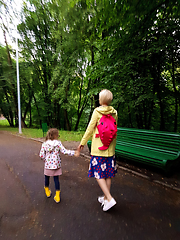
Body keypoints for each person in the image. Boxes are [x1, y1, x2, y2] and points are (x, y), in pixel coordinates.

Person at [77, 89, 118, 211]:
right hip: (110, 149)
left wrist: (82, 143)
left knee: (98, 174)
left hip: (99, 150)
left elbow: (90, 129)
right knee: (108, 175)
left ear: (101, 100)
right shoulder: (114, 112)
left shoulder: (97, 111)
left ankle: (109, 199)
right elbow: (114, 129)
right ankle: (106, 198)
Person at [39, 128, 79, 203]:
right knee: (56, 179)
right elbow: (64, 151)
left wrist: (45, 160)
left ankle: (47, 191)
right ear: (55, 136)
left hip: (47, 165)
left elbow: (41, 155)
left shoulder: (44, 144)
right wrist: (73, 152)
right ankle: (57, 196)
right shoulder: (58, 143)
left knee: (47, 178)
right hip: (56, 165)